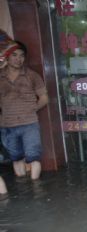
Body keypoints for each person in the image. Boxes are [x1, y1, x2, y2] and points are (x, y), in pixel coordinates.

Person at [0, 41, 48, 180]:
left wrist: (32, 109)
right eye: (14, 55)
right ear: (7, 57)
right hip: (7, 125)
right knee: (16, 158)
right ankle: (22, 187)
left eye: (21, 56)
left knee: (34, 157)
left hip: (29, 123)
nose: (18, 59)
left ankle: (36, 189)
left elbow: (44, 98)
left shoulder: (32, 75)